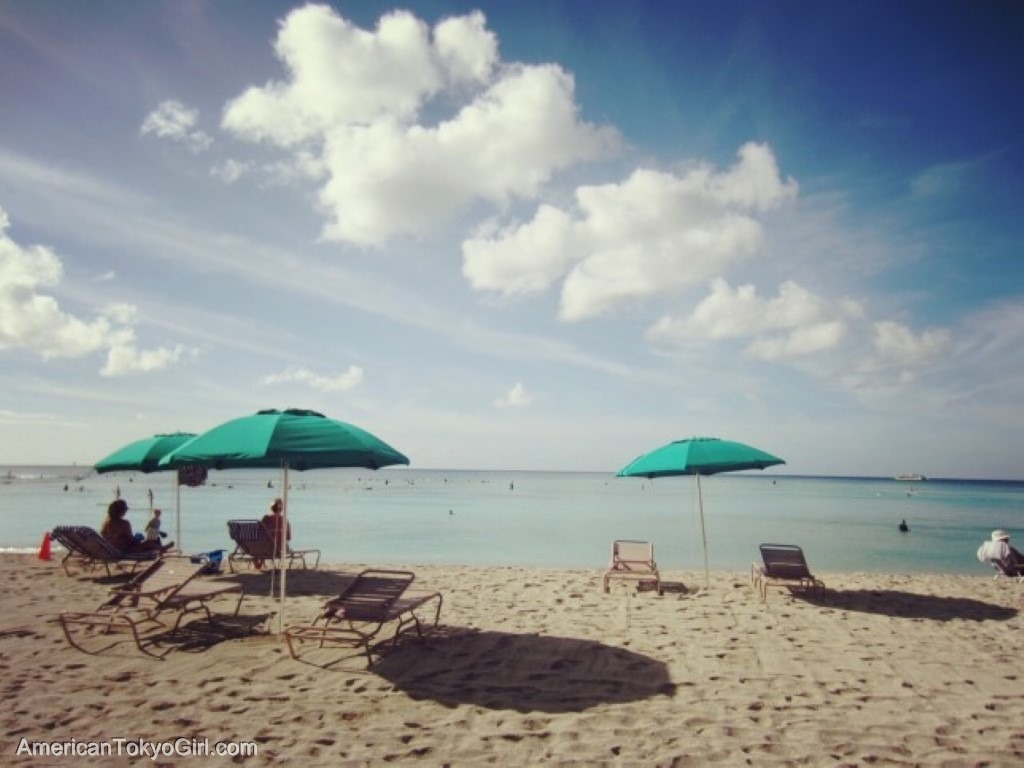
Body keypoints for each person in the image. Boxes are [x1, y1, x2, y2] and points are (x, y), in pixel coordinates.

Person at [101, 499, 172, 554]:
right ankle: (161, 548)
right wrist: (138, 539)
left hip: (110, 550)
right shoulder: (124, 523)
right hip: (124, 550)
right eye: (125, 510)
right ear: (121, 511)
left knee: (148, 541)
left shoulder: (106, 523)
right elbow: (131, 540)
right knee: (150, 542)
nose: (126, 511)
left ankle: (159, 548)